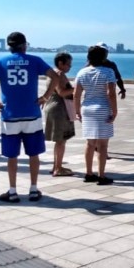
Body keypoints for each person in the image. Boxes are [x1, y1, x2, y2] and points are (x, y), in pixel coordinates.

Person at [0, 31, 58, 203]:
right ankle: (34, 189)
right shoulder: (35, 60)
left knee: (12, 156)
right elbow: (55, 76)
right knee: (33, 154)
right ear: (24, 45)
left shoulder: (1, 62)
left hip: (10, 115)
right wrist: (45, 96)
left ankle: (13, 191)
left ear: (9, 46)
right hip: (32, 114)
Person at [74, 45, 117, 185]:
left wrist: (77, 111)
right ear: (104, 57)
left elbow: (76, 94)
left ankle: (88, 173)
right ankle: (102, 175)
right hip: (103, 108)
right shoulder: (108, 72)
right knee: (103, 145)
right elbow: (111, 93)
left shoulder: (81, 72)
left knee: (90, 143)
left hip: (87, 109)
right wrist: (115, 111)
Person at [44, 52, 76, 176]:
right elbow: (62, 92)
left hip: (53, 107)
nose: (70, 67)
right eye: (68, 64)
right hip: (59, 109)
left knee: (59, 140)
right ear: (60, 63)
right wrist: (78, 87)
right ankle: (58, 168)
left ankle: (56, 166)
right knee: (61, 141)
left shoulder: (52, 73)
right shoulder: (59, 74)